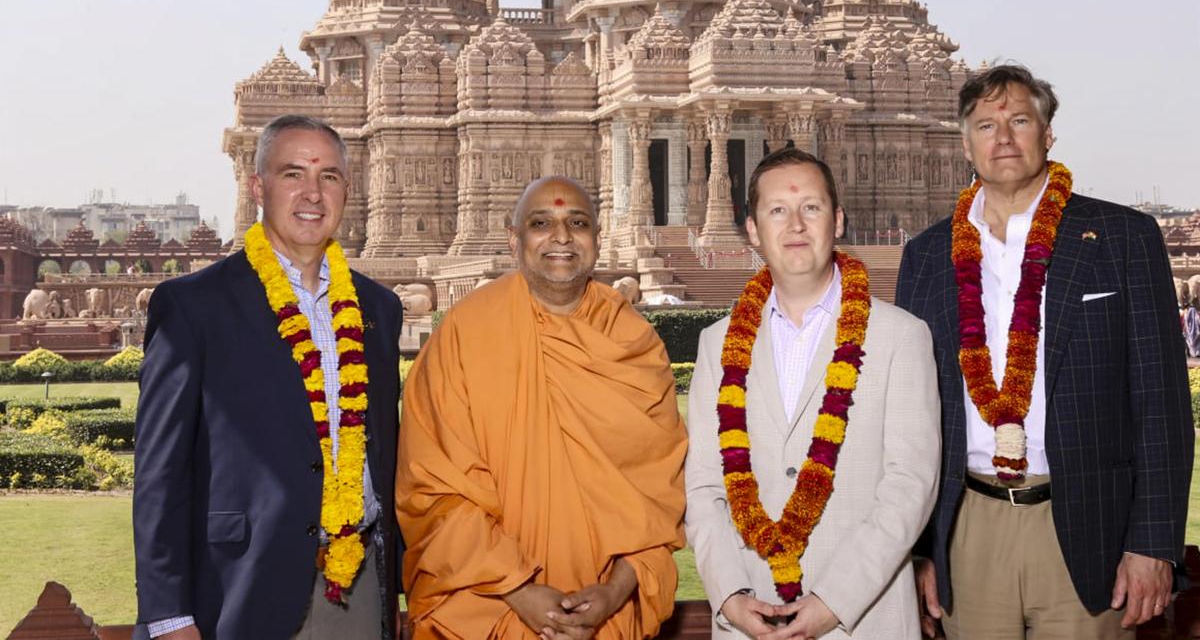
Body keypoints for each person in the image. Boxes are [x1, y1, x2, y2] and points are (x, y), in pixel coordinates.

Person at [896, 64, 1193, 638]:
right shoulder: (928, 256)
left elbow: (1161, 402)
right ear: (965, 143)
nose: (1003, 138)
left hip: (1087, 523)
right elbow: (914, 416)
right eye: (986, 125)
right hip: (969, 527)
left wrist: (1153, 543)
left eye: (1020, 120)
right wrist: (920, 552)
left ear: (1048, 133)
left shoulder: (1122, 237)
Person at [132, 114, 404, 640]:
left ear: (346, 190)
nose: (312, 193)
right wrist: (168, 613)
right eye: (292, 174)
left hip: (358, 578)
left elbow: (384, 448)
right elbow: (160, 474)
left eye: (329, 176)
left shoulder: (378, 308)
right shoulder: (195, 306)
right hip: (240, 583)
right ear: (258, 186)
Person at [396, 176, 687, 639]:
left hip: (607, 608)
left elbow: (659, 490)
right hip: (488, 603)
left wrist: (615, 592)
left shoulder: (632, 341)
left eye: (577, 222)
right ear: (515, 239)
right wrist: (519, 590)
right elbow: (431, 487)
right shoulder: (465, 333)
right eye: (541, 223)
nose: (562, 237)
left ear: (596, 236)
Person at [686, 147, 940, 639]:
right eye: (777, 210)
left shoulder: (900, 336)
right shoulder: (717, 344)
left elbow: (910, 485)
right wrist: (731, 597)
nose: (795, 225)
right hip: (748, 618)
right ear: (754, 231)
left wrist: (834, 601)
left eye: (812, 208)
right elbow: (702, 486)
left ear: (837, 221)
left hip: (862, 618)